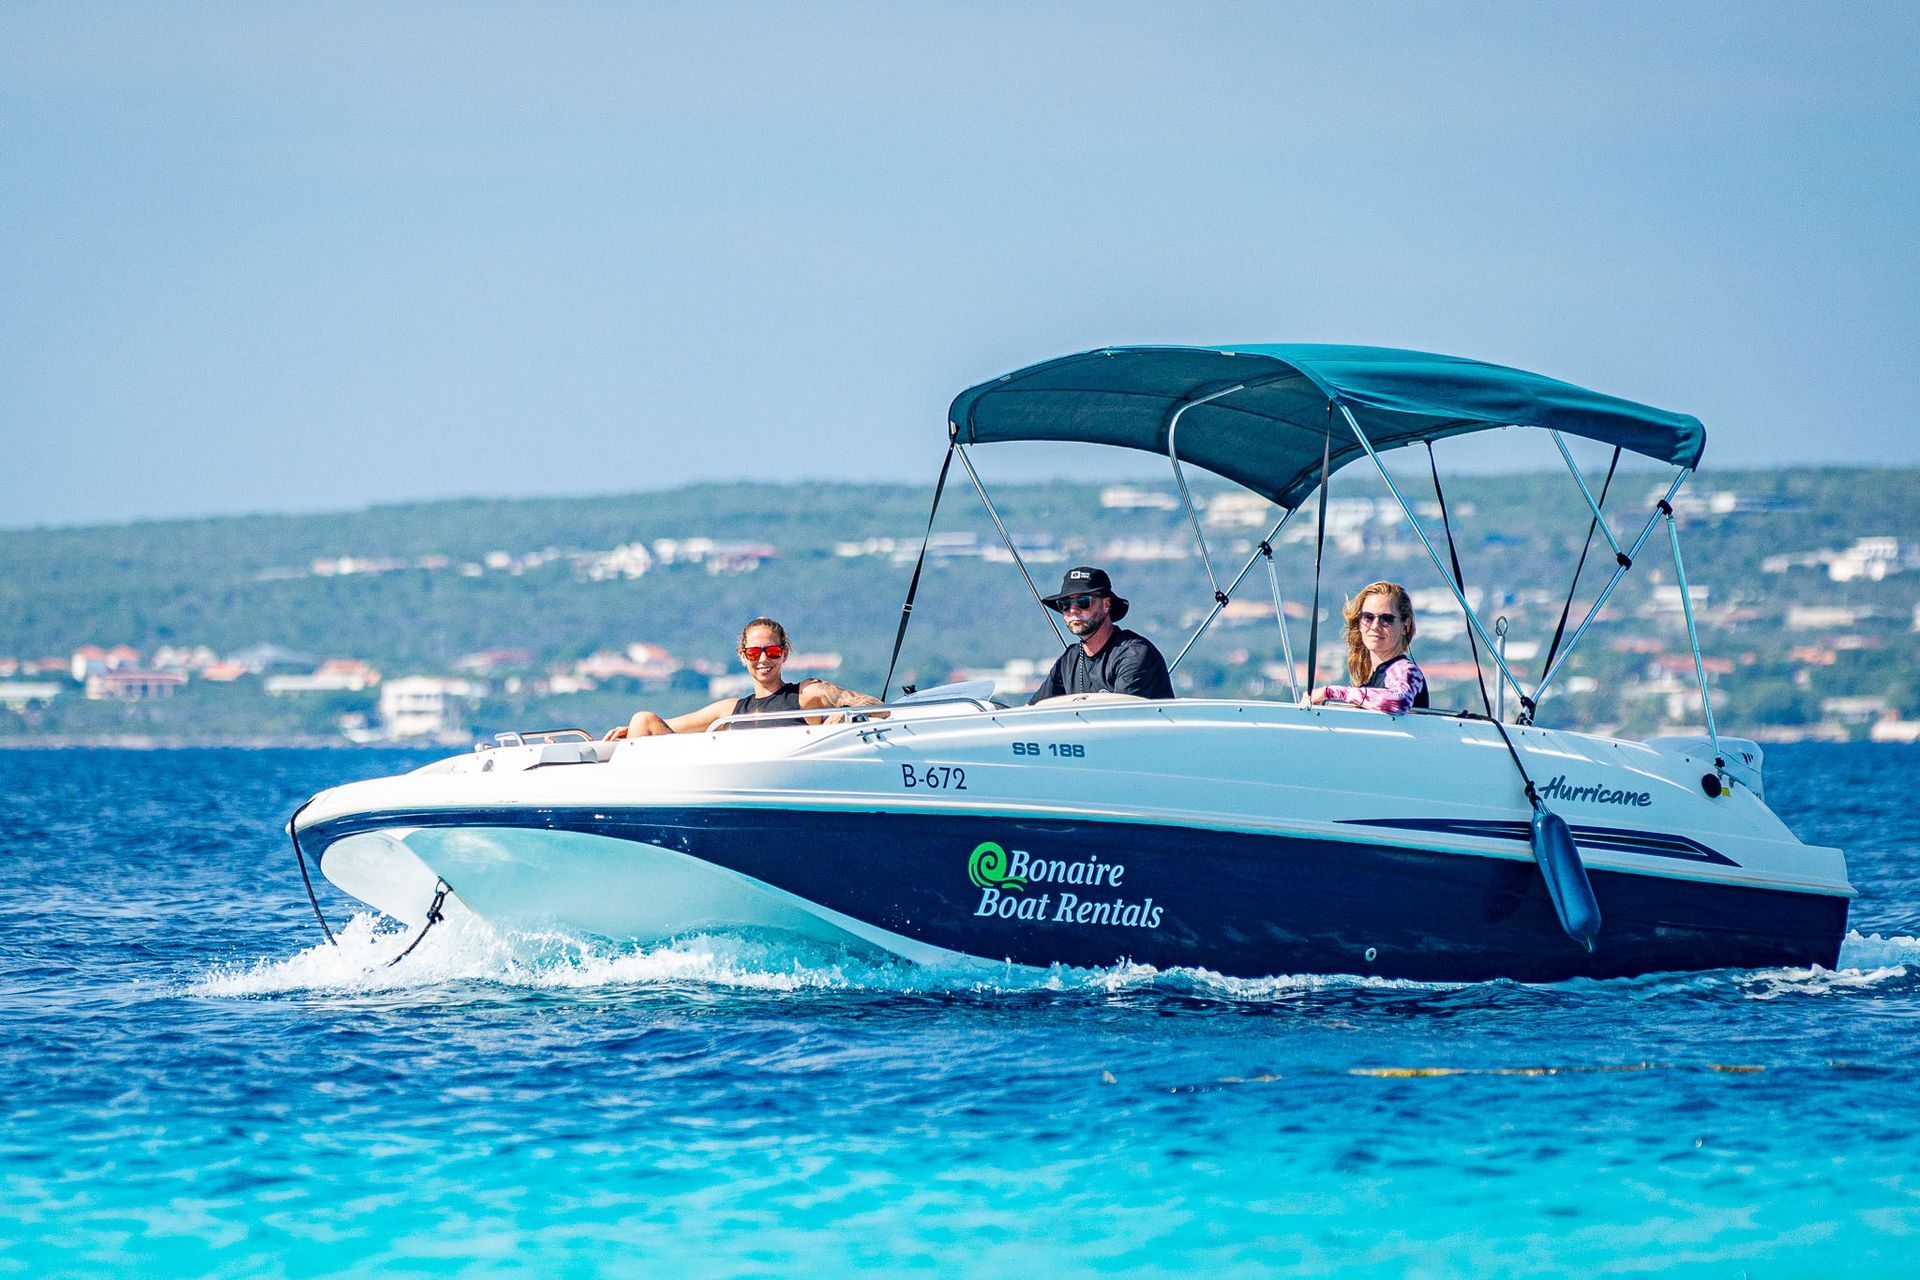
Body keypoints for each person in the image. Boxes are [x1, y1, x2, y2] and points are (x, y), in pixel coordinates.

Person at [608, 617, 882, 737]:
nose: (764, 659)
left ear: (784, 654)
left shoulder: (807, 694)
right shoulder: (730, 710)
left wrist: (845, 713)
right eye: (754, 653)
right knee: (641, 719)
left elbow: (879, 710)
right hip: (724, 786)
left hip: (786, 783)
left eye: (772, 651)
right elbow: (662, 725)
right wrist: (628, 732)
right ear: (743, 656)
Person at [1028, 567, 1174, 703]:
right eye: (1065, 605)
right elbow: (1032, 711)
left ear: (1106, 605)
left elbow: (1121, 719)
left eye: (1082, 602)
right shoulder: (1069, 659)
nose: (1073, 610)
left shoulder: (1134, 654)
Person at [1310, 580, 1428, 714]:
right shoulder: (1373, 679)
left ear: (1405, 625)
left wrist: (1330, 692)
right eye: (1368, 617)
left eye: (1386, 618)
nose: (1375, 626)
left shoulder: (1405, 670)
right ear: (1359, 623)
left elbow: (1399, 701)